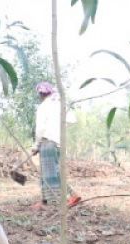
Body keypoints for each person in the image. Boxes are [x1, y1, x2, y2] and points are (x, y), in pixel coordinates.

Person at [31, 81, 81, 210]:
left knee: (47, 174)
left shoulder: (43, 107)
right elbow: (72, 119)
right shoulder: (59, 104)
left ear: (41, 94)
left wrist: (36, 145)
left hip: (47, 142)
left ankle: (49, 202)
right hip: (59, 143)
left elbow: (40, 129)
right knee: (56, 173)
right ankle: (72, 195)